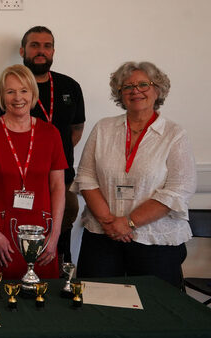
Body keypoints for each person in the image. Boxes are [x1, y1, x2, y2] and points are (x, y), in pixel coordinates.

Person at [73, 62, 196, 288]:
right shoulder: (103, 128)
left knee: (157, 312)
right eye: (127, 87)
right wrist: (109, 222)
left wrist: (129, 223)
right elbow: (86, 177)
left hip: (155, 240)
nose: (135, 91)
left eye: (143, 84)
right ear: (120, 94)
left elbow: (178, 190)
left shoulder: (174, 134)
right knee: (97, 308)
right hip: (102, 236)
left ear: (157, 89)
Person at [0, 26, 85, 264]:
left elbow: (76, 130)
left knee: (58, 232)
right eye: (34, 45)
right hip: (8, 186)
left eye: (47, 46)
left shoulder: (70, 86)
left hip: (59, 177)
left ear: (53, 51)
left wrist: (47, 155)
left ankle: (60, 266)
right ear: (22, 50)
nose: (41, 51)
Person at [0, 64, 66, 280]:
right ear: (1, 96)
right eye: (10, 91)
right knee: (0, 296)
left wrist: (55, 235)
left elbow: (58, 186)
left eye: (24, 91)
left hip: (43, 232)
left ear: (33, 94)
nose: (17, 97)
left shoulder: (51, 133)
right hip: (1, 233)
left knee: (42, 294)